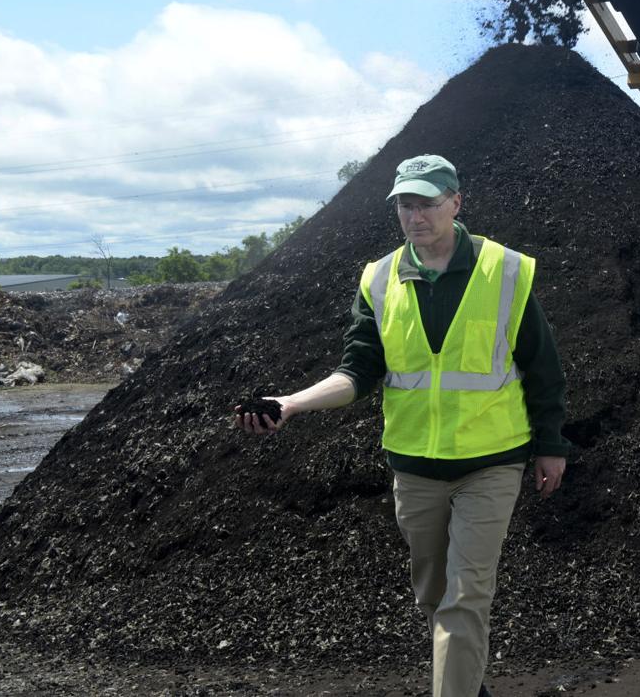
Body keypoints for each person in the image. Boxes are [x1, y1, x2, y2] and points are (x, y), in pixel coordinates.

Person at [234, 154, 569, 697]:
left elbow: (543, 368)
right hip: (414, 468)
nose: (416, 217)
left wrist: (552, 444)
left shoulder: (505, 271)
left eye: (427, 204)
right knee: (433, 595)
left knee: (465, 596)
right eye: (405, 206)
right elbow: (357, 371)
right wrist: (291, 403)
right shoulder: (379, 278)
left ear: (455, 203)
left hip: (491, 462)